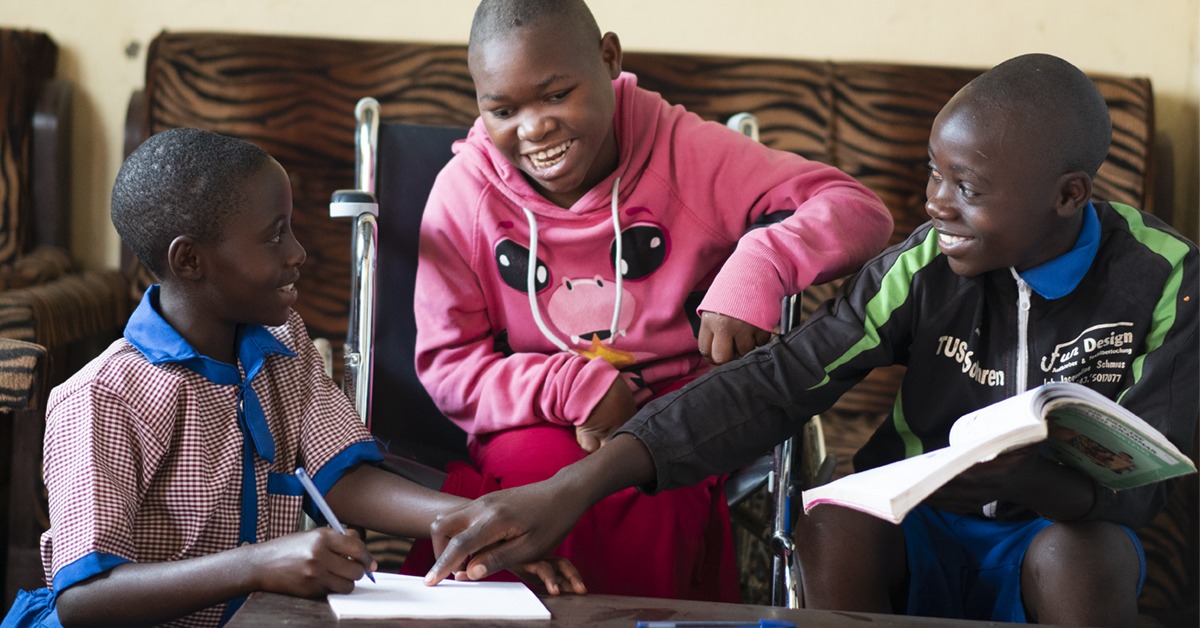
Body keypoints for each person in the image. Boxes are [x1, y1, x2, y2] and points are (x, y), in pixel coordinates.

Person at [421, 53, 1198, 627]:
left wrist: (1031, 484)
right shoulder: (924, 269)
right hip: (923, 526)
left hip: (1054, 535)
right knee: (835, 524)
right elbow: (778, 382)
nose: (935, 206)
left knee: (1079, 553)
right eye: (934, 174)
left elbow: (1143, 490)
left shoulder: (1167, 282)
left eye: (968, 189)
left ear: (1068, 196)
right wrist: (574, 488)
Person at [408, 0, 893, 601]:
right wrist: (567, 386)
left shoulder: (684, 153)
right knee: (523, 487)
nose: (533, 128)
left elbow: (857, 210)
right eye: (503, 110)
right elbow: (449, 367)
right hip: (536, 412)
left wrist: (762, 261)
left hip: (677, 416)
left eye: (556, 95)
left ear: (609, 59)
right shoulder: (466, 193)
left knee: (650, 483)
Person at [1, 128, 582, 628]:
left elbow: (342, 479)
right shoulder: (100, 397)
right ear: (189, 261)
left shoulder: (284, 343)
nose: (299, 252)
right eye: (275, 234)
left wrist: (470, 524)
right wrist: (257, 564)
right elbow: (83, 601)